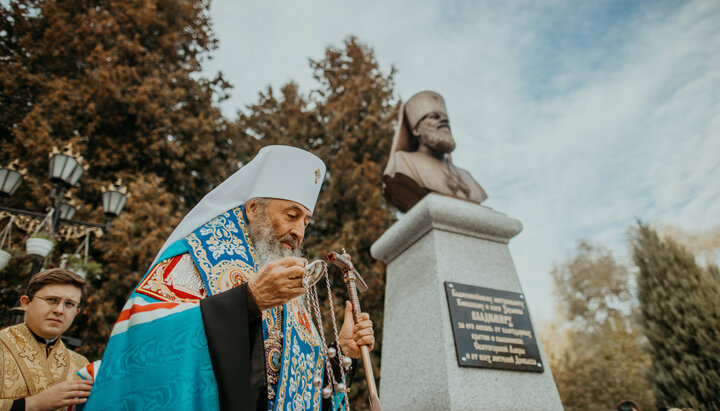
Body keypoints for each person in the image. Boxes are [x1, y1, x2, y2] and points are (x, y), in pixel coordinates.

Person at [82, 145, 375, 411]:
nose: (299, 232)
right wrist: (246, 301)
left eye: (305, 221)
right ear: (252, 209)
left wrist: (341, 355)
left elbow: (296, 389)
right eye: (291, 215)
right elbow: (145, 340)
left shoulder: (289, 293)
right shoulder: (193, 258)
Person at [0, 268, 92, 411]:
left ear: (76, 312)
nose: (59, 310)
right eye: (51, 300)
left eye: (69, 304)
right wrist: (32, 404)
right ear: (25, 303)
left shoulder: (82, 365)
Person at [383, 90, 488, 212]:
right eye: (434, 117)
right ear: (416, 130)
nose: (444, 121)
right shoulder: (404, 162)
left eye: (446, 119)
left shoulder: (467, 176)